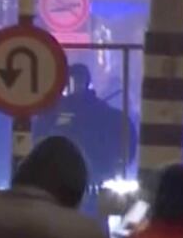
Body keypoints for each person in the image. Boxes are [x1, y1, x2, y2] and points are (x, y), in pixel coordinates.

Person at [36, 64, 136, 194]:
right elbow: (38, 136)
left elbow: (125, 136)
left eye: (79, 79)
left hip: (93, 178)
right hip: (61, 177)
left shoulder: (101, 111)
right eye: (73, 79)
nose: (77, 84)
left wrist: (116, 165)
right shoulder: (55, 111)